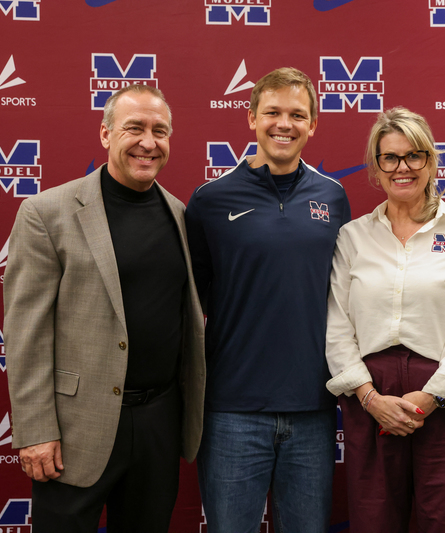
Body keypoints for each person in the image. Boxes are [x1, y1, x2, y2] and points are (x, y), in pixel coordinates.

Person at [4, 84, 206, 533]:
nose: (148, 142)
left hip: (159, 423)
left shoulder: (179, 213)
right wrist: (36, 430)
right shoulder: (46, 212)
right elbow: (25, 335)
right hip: (76, 429)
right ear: (105, 134)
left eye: (160, 131)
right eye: (134, 128)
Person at [185, 67, 351, 533]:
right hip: (231, 411)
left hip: (313, 409)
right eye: (273, 112)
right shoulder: (210, 200)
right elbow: (190, 302)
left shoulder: (334, 198)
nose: (285, 124)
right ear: (252, 117)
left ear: (313, 123)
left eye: (298, 114)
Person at [325, 107, 445, 533]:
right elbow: (336, 325)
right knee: (374, 520)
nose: (403, 168)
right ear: (376, 168)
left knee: (444, 520)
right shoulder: (353, 236)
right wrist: (369, 398)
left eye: (414, 156)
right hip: (371, 396)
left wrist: (432, 396)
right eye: (390, 158)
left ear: (431, 161)